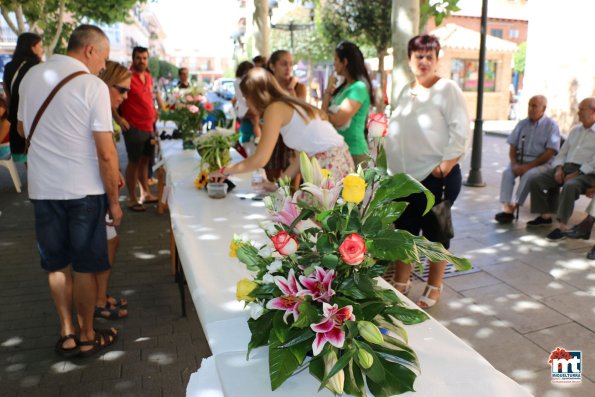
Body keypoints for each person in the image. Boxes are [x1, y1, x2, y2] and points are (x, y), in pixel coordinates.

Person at [17, 24, 120, 357]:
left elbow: (21, 127)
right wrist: (115, 201)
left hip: (44, 188)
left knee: (56, 265)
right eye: (103, 57)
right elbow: (106, 152)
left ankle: (67, 333)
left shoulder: (32, 76)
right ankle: (88, 334)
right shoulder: (93, 85)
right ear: (90, 49)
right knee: (86, 266)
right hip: (85, 190)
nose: (104, 66)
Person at [384, 34, 469, 308]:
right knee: (404, 234)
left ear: (436, 59)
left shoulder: (447, 89)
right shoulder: (406, 90)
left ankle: (434, 285)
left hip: (434, 178)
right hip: (403, 180)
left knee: (436, 235)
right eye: (418, 56)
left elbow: (460, 130)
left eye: (429, 56)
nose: (424, 61)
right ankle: (402, 281)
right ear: (409, 59)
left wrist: (444, 166)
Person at [209, 67, 353, 184]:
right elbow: (298, 161)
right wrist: (277, 185)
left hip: (330, 165)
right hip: (334, 162)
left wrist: (224, 171)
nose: (246, 103)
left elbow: (260, 159)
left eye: (246, 97)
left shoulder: (274, 109)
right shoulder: (285, 105)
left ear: (257, 95)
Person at [94, 60, 132, 319]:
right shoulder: (97, 108)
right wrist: (114, 199)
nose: (125, 96)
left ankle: (100, 296)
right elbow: (102, 154)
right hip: (96, 186)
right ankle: (98, 300)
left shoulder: (107, 109)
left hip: (102, 181)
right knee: (108, 241)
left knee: (110, 241)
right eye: (121, 89)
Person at [527, 97, 595, 241]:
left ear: (593, 112)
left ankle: (562, 227)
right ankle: (545, 216)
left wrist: (578, 173)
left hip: (587, 173)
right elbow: (562, 153)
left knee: (570, 186)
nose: (578, 112)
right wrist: (558, 168)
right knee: (536, 181)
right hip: (565, 168)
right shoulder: (575, 130)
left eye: (582, 109)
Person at [495, 95, 561, 223]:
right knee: (507, 173)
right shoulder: (522, 124)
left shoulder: (552, 126)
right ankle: (506, 206)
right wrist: (514, 163)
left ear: (544, 108)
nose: (530, 108)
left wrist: (527, 167)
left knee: (528, 175)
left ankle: (514, 205)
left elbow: (550, 152)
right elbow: (512, 145)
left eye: (534, 106)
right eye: (529, 105)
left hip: (541, 163)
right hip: (520, 160)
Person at [115, 46, 159, 211]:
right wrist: (118, 119)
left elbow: (148, 97)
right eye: (138, 57)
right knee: (133, 163)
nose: (142, 60)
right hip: (133, 127)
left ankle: (145, 193)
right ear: (133, 59)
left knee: (145, 162)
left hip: (149, 126)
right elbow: (111, 98)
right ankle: (132, 199)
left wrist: (154, 111)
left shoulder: (148, 76)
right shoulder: (125, 76)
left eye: (144, 58)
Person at [322, 41, 374, 167]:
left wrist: (327, 115)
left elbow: (339, 119)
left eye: (336, 60)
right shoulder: (343, 88)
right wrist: (328, 91)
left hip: (355, 153)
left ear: (345, 62)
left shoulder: (358, 88)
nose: (334, 64)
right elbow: (323, 114)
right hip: (340, 152)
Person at [263, 50, 307, 182]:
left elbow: (301, 113)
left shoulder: (299, 88)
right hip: (273, 142)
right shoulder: (267, 89)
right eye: (283, 64)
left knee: (293, 191)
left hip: (293, 145)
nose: (288, 68)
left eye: (291, 64)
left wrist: (291, 89)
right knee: (273, 188)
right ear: (272, 66)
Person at [2, 32, 43, 164]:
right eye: (40, 46)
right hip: (33, 119)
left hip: (15, 118)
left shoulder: (8, 67)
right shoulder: (38, 67)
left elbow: (7, 97)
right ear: (32, 47)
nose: (42, 50)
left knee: (24, 158)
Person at [233, 60, 261, 156]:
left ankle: (258, 137)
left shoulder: (236, 81)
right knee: (256, 119)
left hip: (241, 108)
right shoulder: (245, 82)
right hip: (246, 106)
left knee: (254, 120)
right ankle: (258, 137)